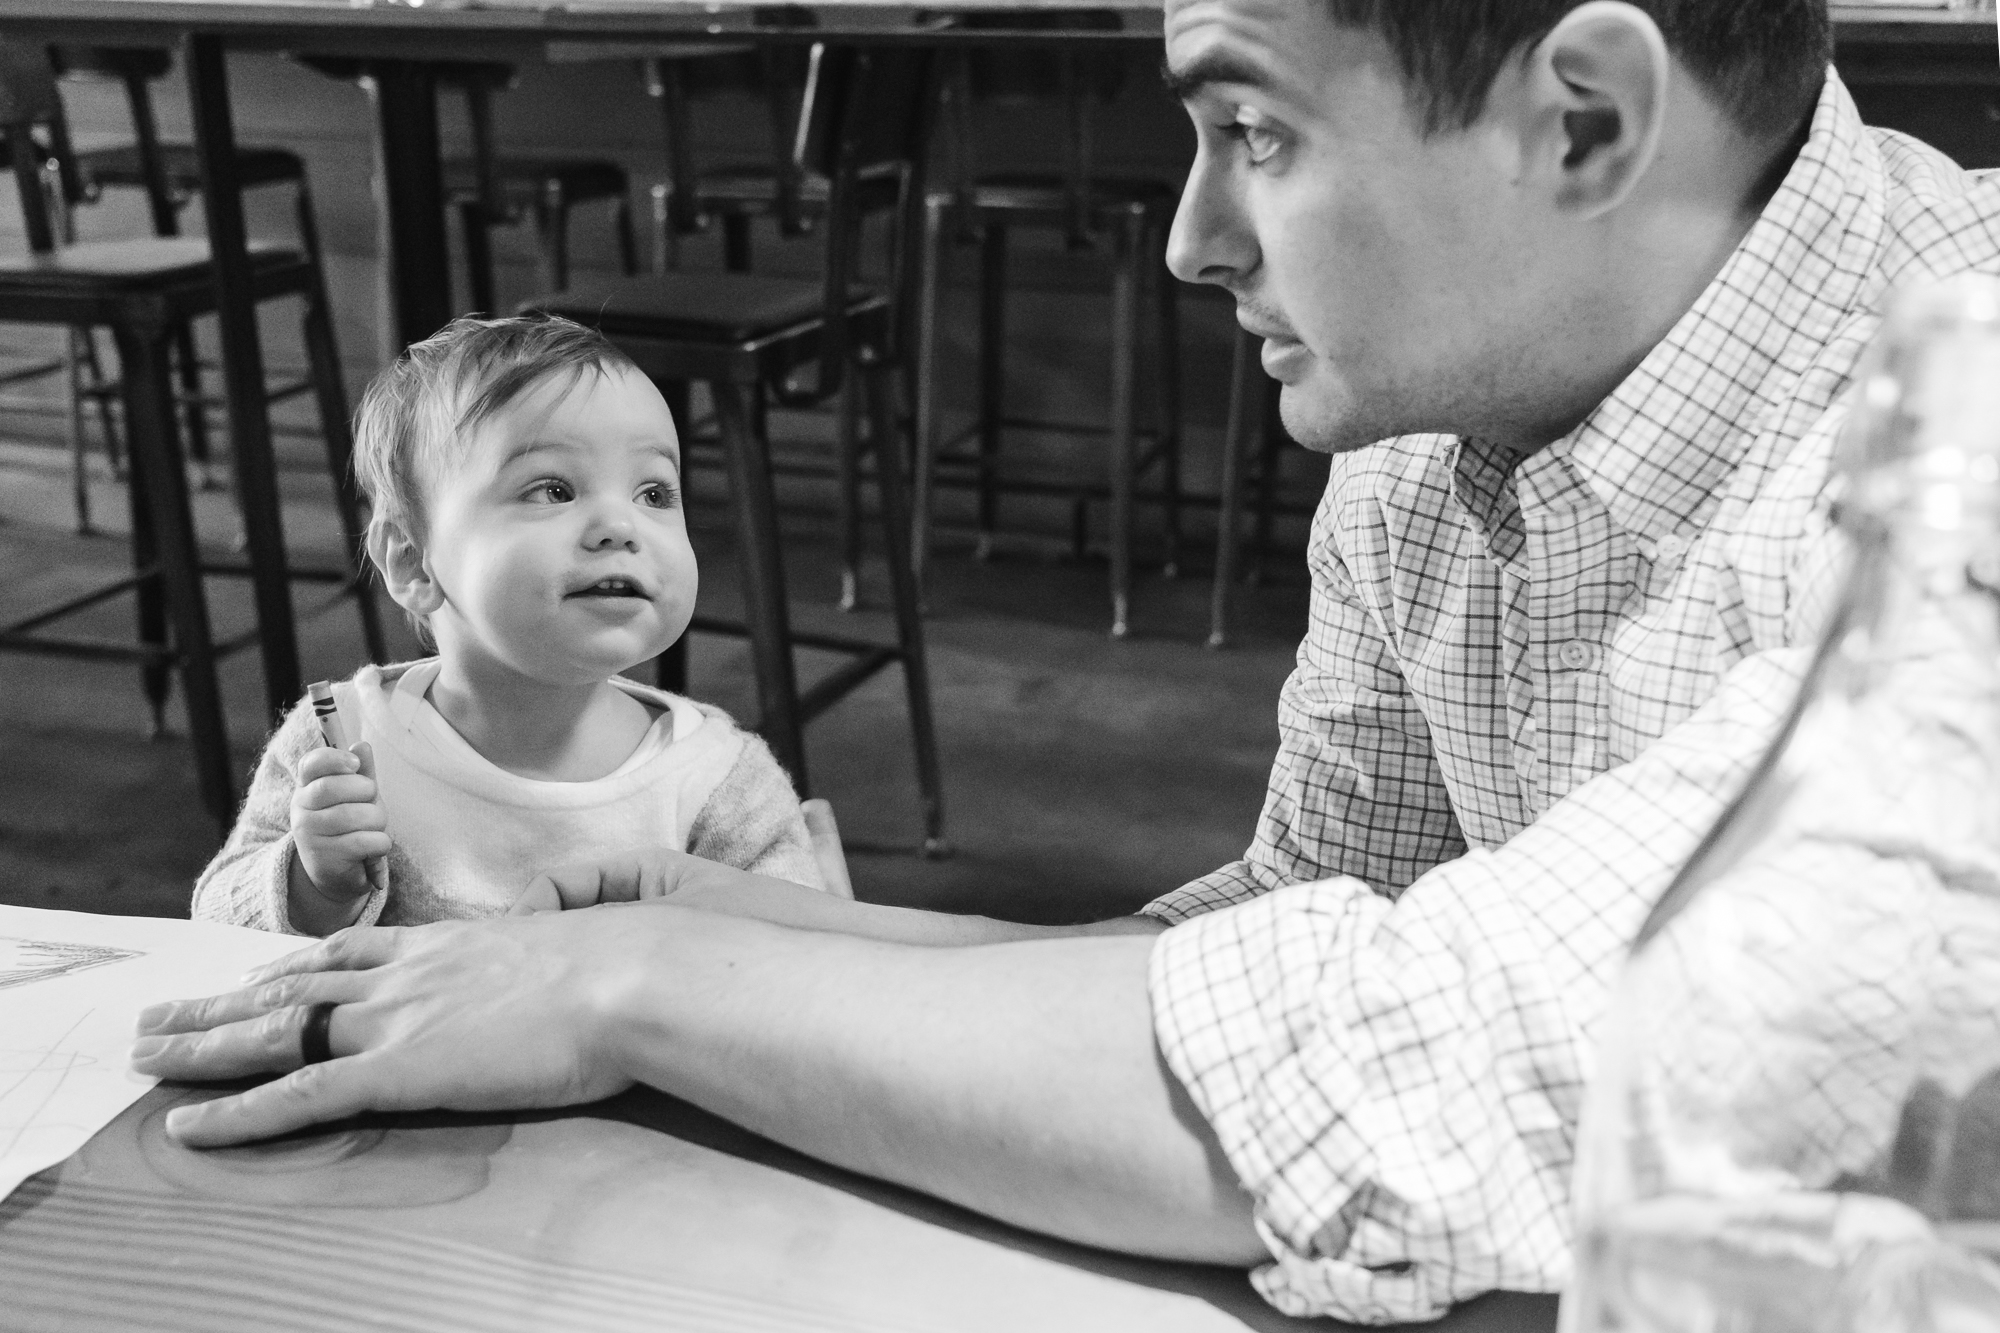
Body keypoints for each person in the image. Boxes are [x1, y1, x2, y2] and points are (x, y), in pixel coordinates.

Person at [129, 1, 2000, 1322]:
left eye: (1250, 126)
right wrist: (733, 917)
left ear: (1581, 120)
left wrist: (637, 972)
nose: (1189, 233)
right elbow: (1296, 923)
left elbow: (1451, 1057)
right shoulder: (1446, 415)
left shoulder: (1965, 426)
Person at [190, 314, 822, 937]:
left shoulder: (719, 784)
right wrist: (310, 886)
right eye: (552, 489)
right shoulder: (341, 744)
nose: (621, 525)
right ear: (413, 559)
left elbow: (803, 983)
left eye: (654, 492)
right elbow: (212, 924)